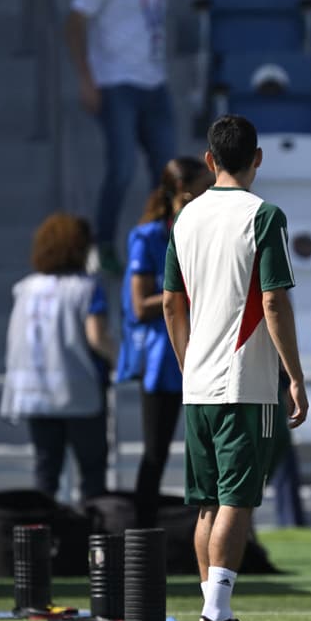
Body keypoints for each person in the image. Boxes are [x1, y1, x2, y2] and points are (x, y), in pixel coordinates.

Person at [162, 114, 307, 621]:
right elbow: (272, 299)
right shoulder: (263, 215)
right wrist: (294, 376)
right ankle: (216, 618)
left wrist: (187, 362)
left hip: (197, 382)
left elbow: (173, 304)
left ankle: (214, 612)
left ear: (209, 160)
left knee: (208, 502)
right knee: (237, 502)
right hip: (245, 380)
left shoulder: (186, 217)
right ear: (258, 158)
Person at [65, 0, 182, 274]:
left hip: (155, 84)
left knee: (169, 173)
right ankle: (102, 243)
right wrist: (87, 78)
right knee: (123, 167)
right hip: (116, 84)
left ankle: (160, 245)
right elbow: (74, 23)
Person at [119, 156, 213, 528]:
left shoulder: (208, 232)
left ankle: (212, 535)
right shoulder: (148, 237)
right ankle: (143, 539)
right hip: (164, 360)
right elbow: (139, 306)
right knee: (155, 453)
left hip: (206, 353)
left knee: (207, 454)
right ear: (186, 193)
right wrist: (186, 291)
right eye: (208, 187)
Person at [0, 213, 115, 502]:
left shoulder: (25, 288)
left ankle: (45, 542)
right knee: (92, 475)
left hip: (35, 393)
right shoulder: (88, 288)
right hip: (81, 393)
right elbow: (97, 337)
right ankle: (93, 540)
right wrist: (122, 360)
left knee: (45, 473)